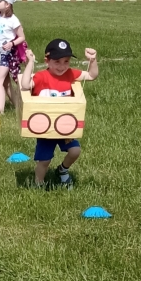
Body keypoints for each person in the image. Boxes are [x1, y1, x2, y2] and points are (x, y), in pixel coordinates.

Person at [24, 38, 100, 188]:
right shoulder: (41, 77)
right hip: (46, 128)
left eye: (66, 61)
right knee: (44, 161)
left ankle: (62, 170)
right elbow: (25, 85)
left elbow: (92, 75)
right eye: (57, 61)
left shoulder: (70, 74)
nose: (62, 66)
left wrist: (92, 60)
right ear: (47, 61)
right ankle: (38, 184)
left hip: (65, 126)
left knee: (75, 151)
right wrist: (30, 62)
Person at [0, 0, 27, 116]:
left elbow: (22, 37)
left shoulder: (13, 20)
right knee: (5, 84)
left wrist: (11, 44)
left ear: (7, 4)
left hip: (7, 54)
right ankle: (19, 107)